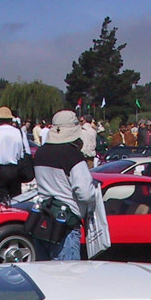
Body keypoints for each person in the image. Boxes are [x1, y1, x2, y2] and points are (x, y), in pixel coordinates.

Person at [32, 110, 95, 261]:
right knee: (68, 277)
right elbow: (85, 192)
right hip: (66, 224)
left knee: (45, 275)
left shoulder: (41, 153)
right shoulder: (73, 156)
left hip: (44, 220)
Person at [0, 106, 30, 204]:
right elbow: (27, 152)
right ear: (10, 119)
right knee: (16, 201)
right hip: (16, 170)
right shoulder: (20, 133)